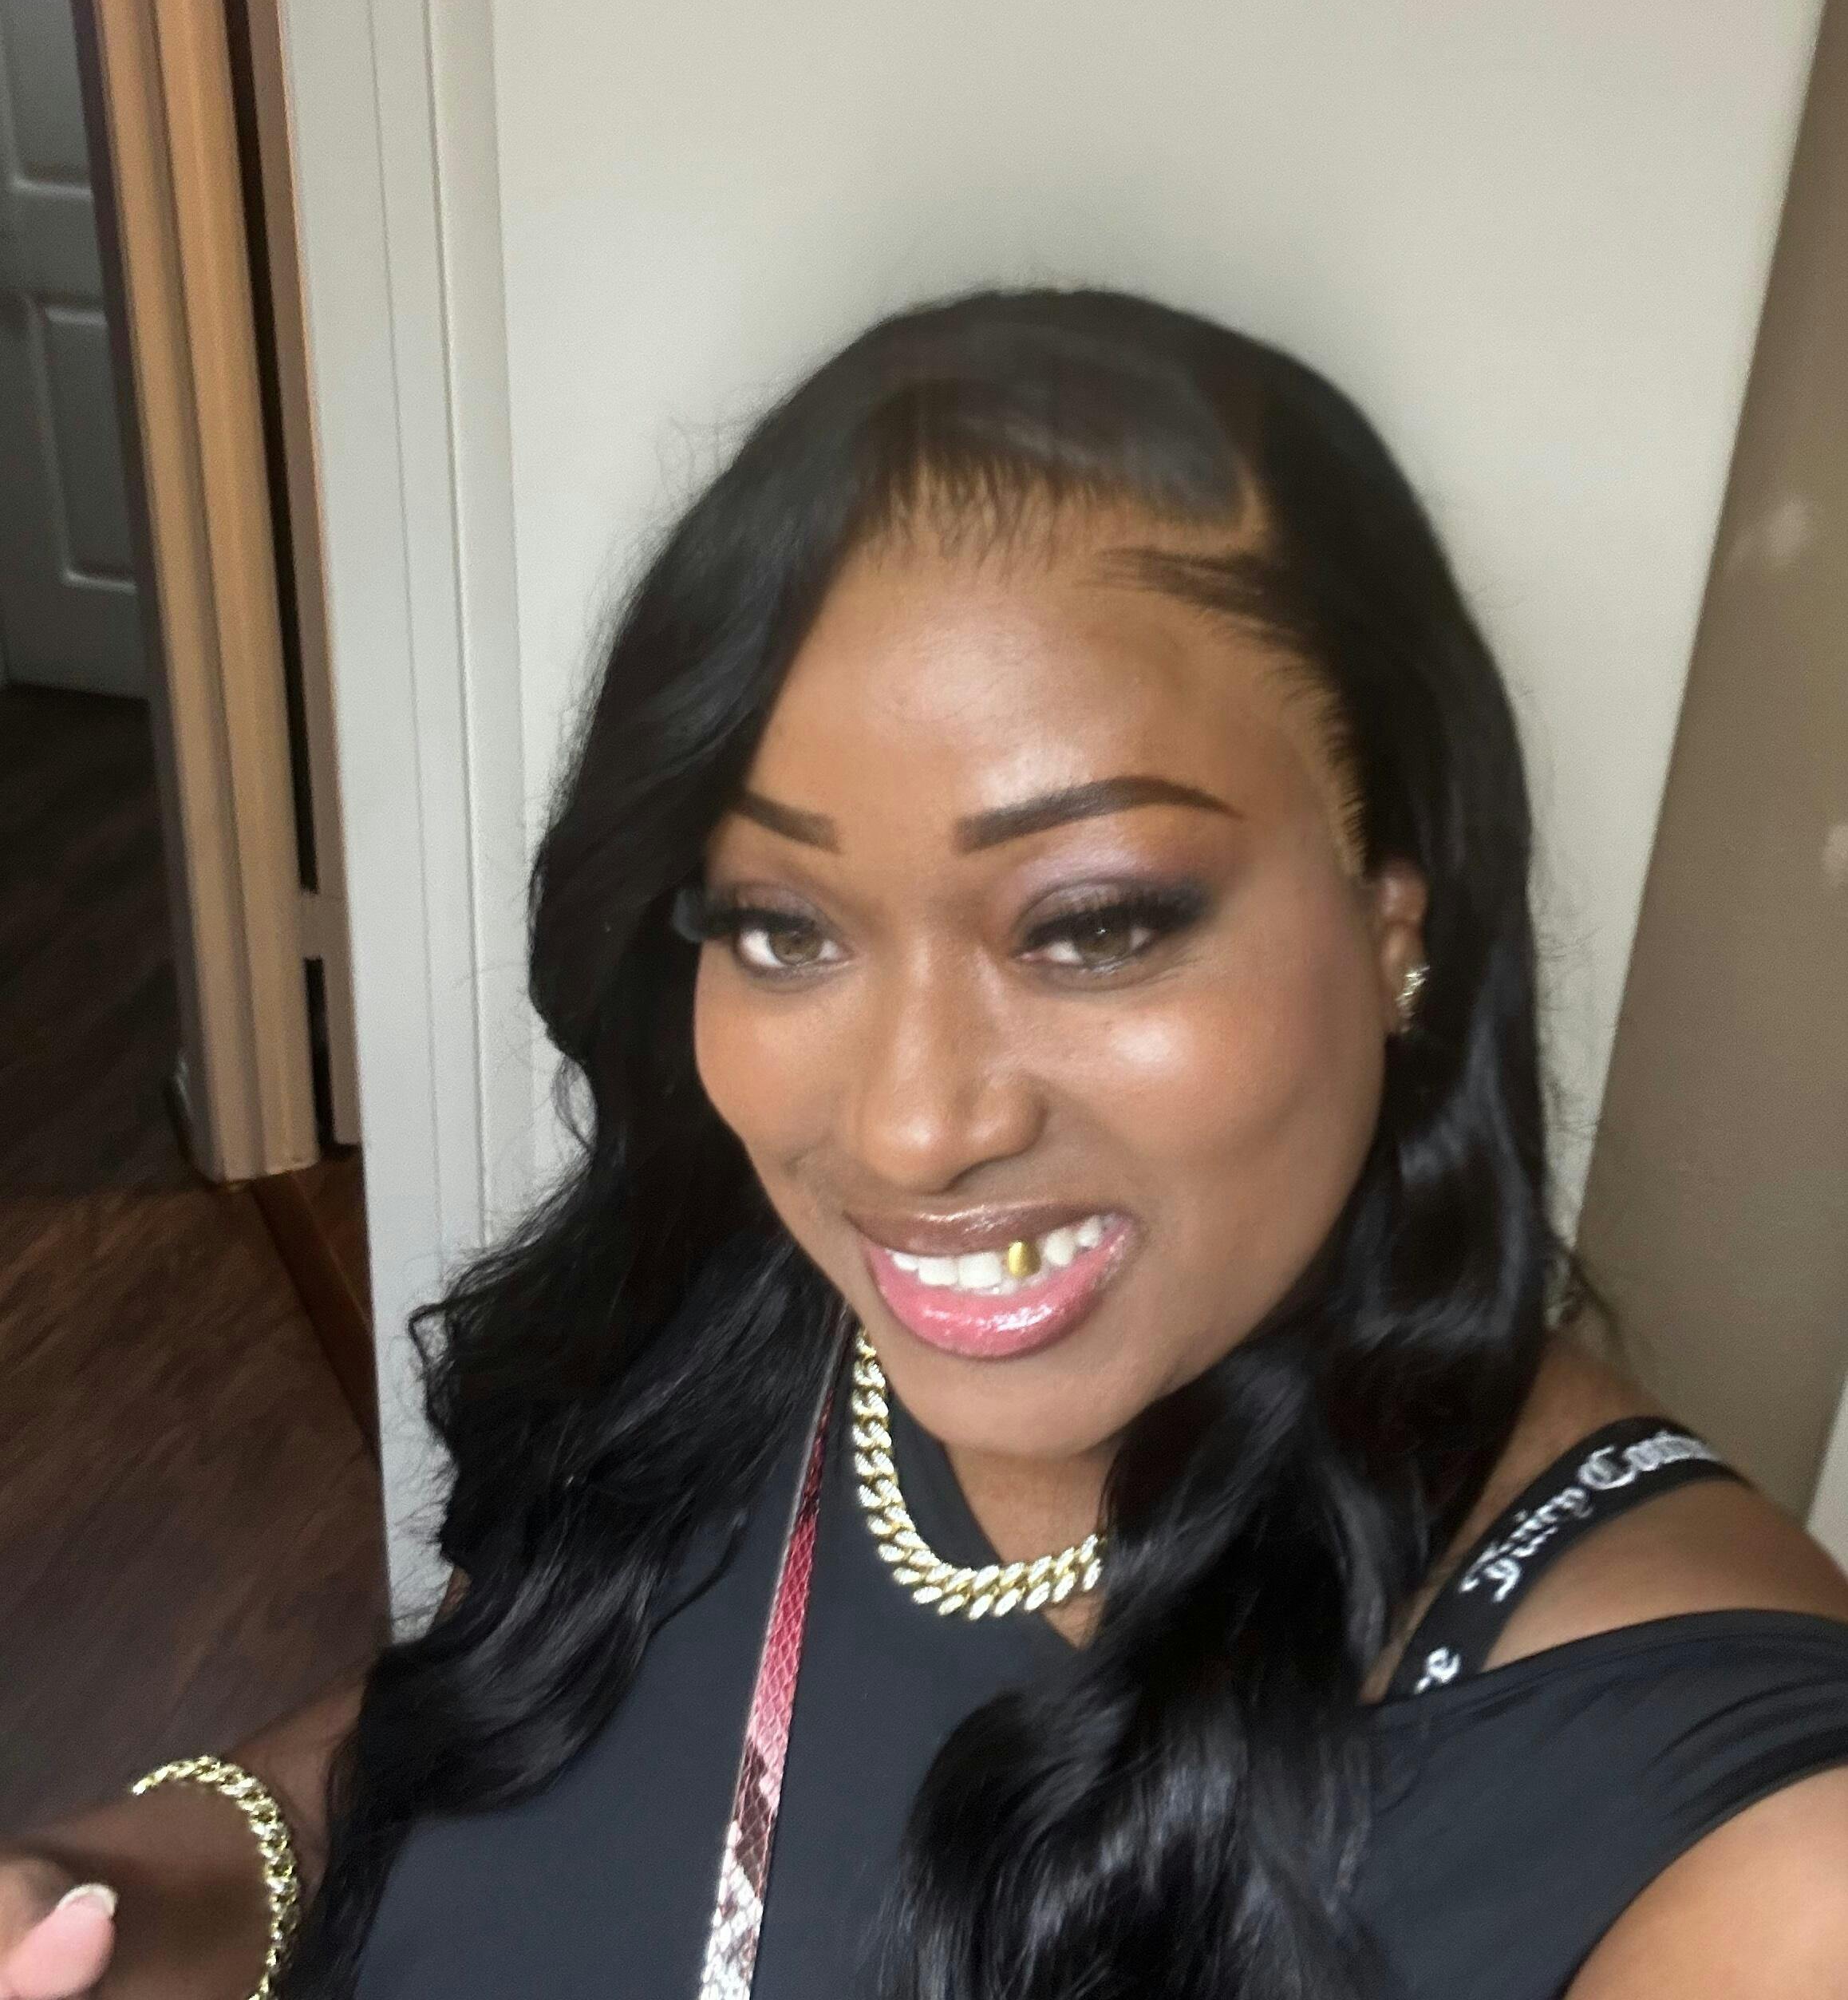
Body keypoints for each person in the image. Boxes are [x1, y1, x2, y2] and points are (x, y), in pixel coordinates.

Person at [5, 289, 1847, 2000]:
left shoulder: (1751, 1853)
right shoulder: (746, 1309)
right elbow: (475, 1738)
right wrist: (138, 1886)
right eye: (782, 925)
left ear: (1395, 915)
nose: (906, 1126)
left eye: (1095, 921)